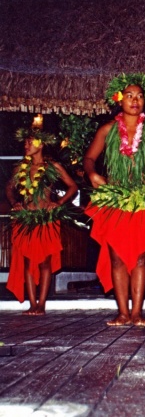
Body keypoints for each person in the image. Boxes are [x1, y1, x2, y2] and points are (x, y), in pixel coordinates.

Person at [84, 73, 145, 326]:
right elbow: (89, 158)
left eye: (139, 96)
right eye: (129, 96)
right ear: (119, 100)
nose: (135, 100)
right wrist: (93, 173)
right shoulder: (107, 130)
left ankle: (136, 312)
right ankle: (122, 313)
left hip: (143, 200)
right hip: (116, 200)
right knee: (116, 257)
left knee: (139, 257)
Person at [6, 127, 78, 315]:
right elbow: (9, 189)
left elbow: (73, 187)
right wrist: (15, 203)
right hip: (27, 220)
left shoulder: (52, 167)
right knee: (29, 262)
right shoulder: (20, 168)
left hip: (46, 219)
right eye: (25, 142)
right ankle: (32, 304)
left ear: (42, 144)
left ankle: (42, 305)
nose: (26, 145)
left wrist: (58, 202)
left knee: (45, 262)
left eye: (30, 141)